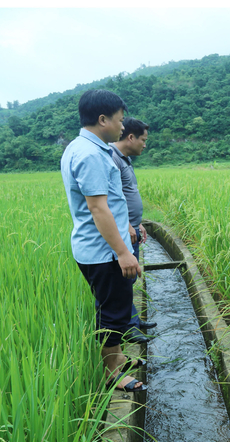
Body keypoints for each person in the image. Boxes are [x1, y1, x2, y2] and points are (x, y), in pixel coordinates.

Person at [61, 89, 147, 392]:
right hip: (104, 253)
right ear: (102, 120)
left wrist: (128, 229)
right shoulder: (90, 155)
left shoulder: (85, 147)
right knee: (113, 312)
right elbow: (98, 208)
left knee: (113, 305)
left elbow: (109, 203)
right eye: (120, 121)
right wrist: (124, 252)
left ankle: (119, 357)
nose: (123, 127)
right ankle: (112, 371)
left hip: (99, 248)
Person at [110, 117, 157, 344]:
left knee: (129, 281)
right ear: (131, 137)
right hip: (123, 231)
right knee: (123, 280)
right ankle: (128, 327)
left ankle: (134, 320)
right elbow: (111, 197)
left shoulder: (124, 158)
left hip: (131, 228)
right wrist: (127, 224)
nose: (145, 145)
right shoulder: (112, 158)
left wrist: (136, 223)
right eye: (143, 140)